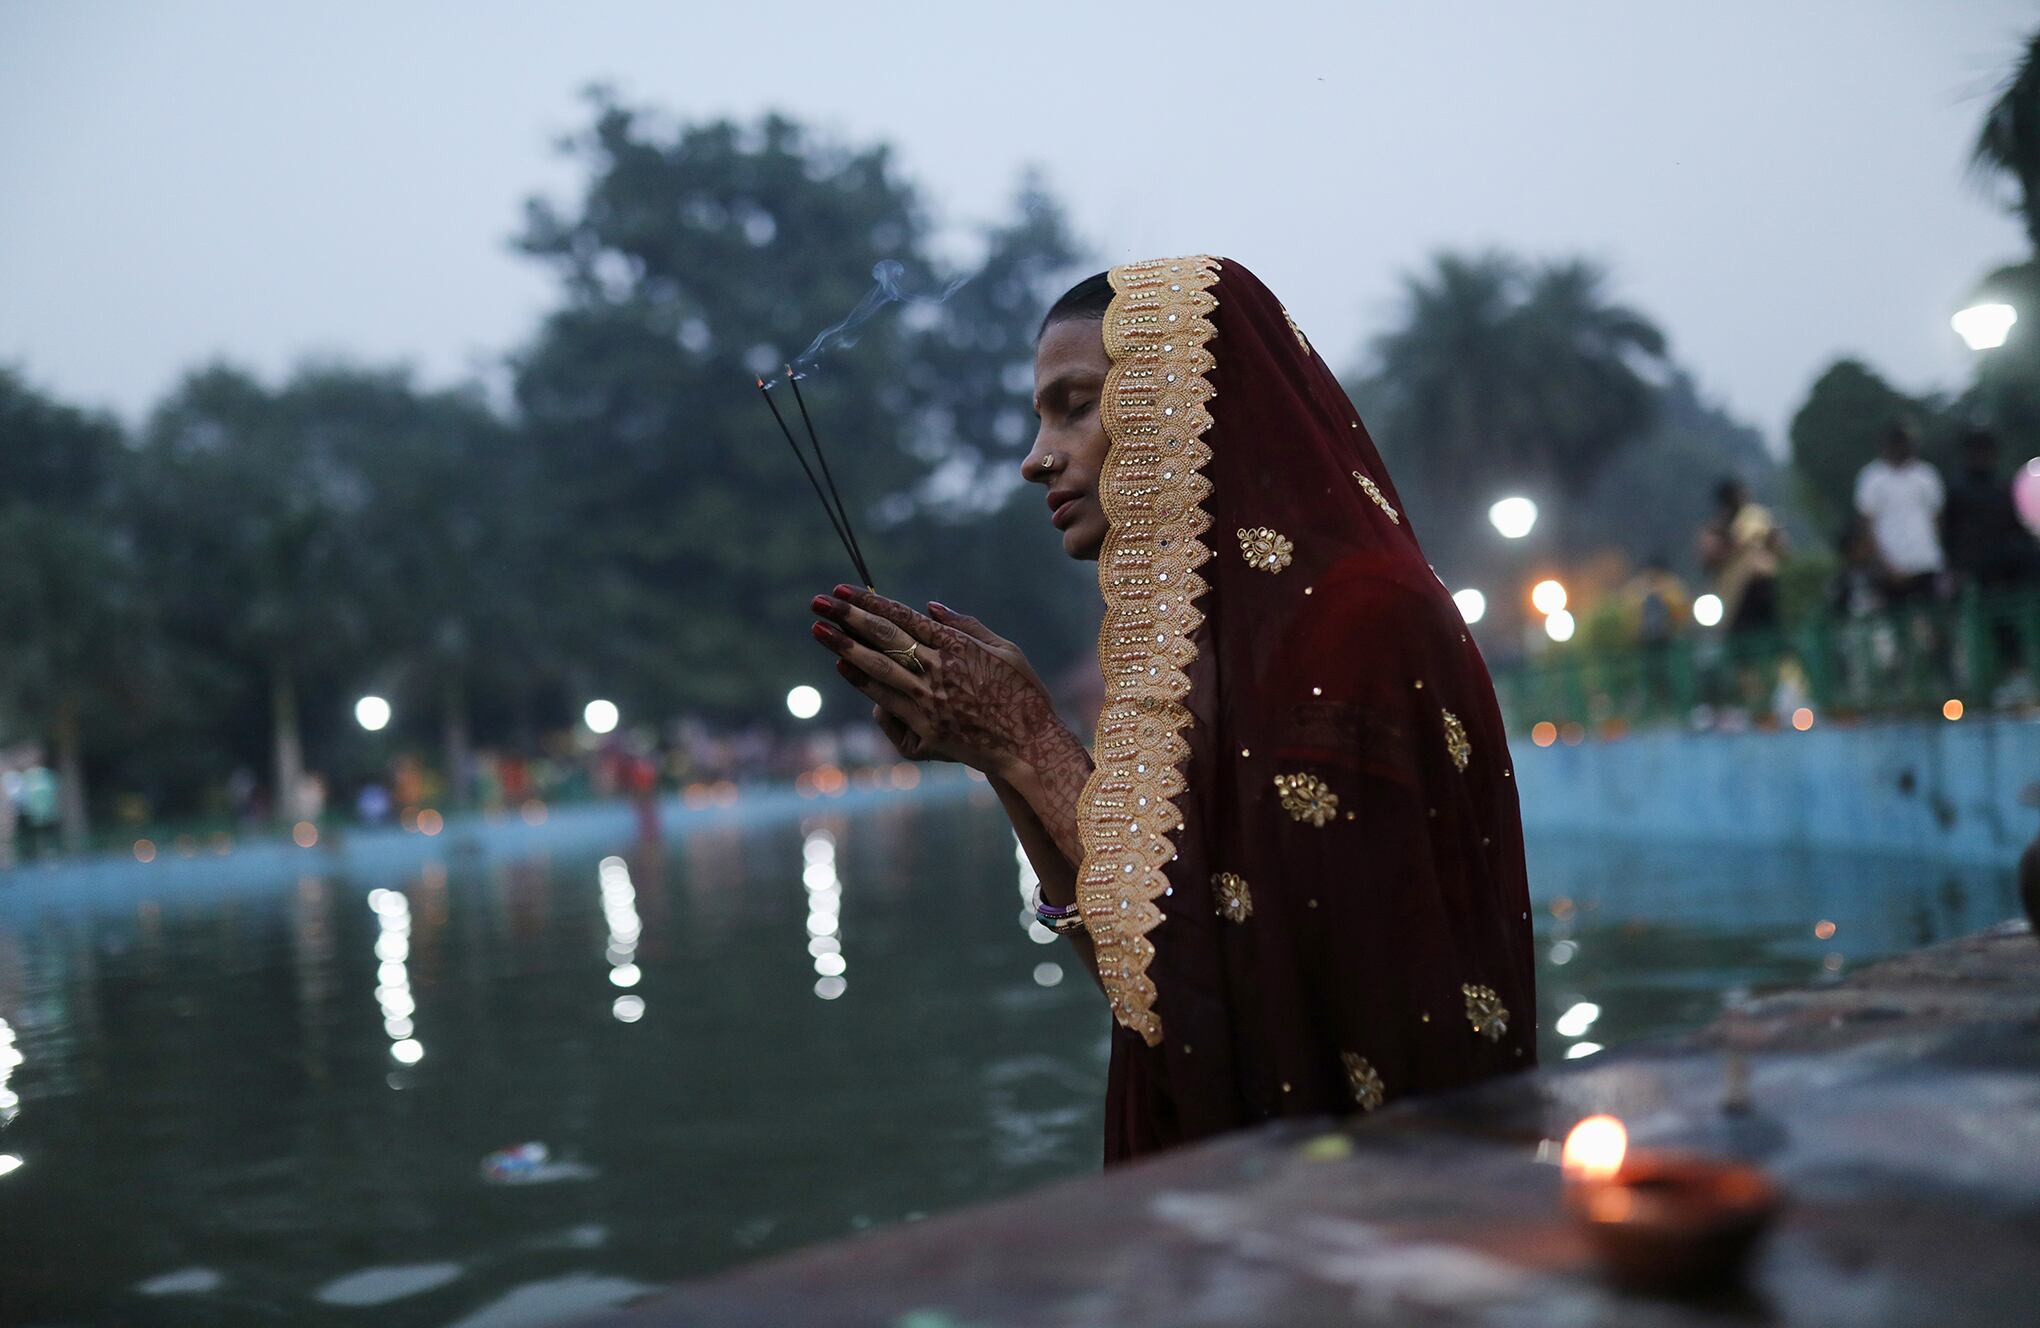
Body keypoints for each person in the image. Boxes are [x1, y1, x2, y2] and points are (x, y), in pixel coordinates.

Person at [808, 257, 1536, 1163]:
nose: (1035, 460)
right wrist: (997, 754)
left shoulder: (1357, 622)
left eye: (1074, 406)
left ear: (1180, 401)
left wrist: (1032, 739)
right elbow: (1147, 984)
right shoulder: (1208, 654)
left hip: (1371, 1226)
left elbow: (1274, 1003)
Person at [1854, 422, 1945, 604]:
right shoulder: (1872, 479)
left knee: (1934, 619)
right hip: (1889, 567)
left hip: (1926, 561)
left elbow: (1937, 520)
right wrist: (1885, 565)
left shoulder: (1925, 475)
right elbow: (1867, 525)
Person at [1942, 427, 2039, 592]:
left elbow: (2017, 524)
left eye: (1986, 450)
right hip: (1971, 563)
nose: (1982, 455)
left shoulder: (2003, 488)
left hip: (2005, 561)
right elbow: (1948, 531)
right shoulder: (1956, 489)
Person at [1697, 479, 1782, 634]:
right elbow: (1710, 558)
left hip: (1760, 585)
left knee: (1767, 631)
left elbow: (1778, 546)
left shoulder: (1755, 519)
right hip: (1735, 595)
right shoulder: (1717, 530)